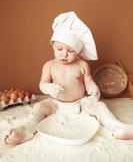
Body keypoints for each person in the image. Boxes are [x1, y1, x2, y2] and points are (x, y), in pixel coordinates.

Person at [2, 11, 133, 145]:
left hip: (80, 104)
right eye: (59, 49)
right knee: (39, 107)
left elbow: (88, 80)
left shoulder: (82, 65)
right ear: (52, 45)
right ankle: (26, 130)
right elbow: (42, 83)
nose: (64, 55)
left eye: (70, 51)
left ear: (78, 52)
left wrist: (92, 87)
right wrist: (48, 87)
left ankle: (117, 127)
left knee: (99, 106)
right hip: (57, 104)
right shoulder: (49, 66)